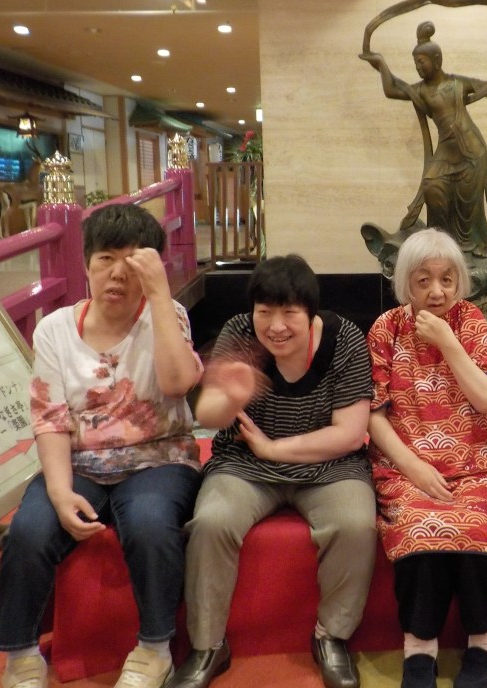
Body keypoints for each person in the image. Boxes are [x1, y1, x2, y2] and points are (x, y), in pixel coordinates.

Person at [0, 203, 204, 688]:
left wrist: (161, 294)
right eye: (106, 259)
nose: (118, 273)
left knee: (149, 523)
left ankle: (154, 649)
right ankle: (20, 655)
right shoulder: (54, 329)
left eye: (134, 261)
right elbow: (50, 418)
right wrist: (60, 491)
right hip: (80, 460)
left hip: (159, 457)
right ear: (87, 264)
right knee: (30, 529)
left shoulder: (167, 314)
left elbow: (176, 384)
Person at [169, 255, 376, 688]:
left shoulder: (345, 339)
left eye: (289, 313)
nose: (275, 326)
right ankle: (208, 645)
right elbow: (208, 414)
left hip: (328, 466)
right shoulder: (240, 333)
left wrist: (273, 448)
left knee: (355, 524)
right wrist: (229, 397)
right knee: (211, 521)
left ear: (310, 314)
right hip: (245, 464)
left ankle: (331, 636)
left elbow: (350, 433)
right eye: (265, 312)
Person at [366, 228, 487, 688]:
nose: (436, 291)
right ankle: (419, 648)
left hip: (476, 461)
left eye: (446, 280)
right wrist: (413, 468)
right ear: (406, 283)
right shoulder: (385, 328)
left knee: (475, 524)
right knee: (417, 525)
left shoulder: (470, 320)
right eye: (423, 281)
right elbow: (374, 415)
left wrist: (448, 342)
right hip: (408, 462)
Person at [359, 21, 487, 259]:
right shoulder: (420, 90)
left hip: (471, 150)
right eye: (415, 63)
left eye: (421, 61)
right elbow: (391, 90)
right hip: (446, 151)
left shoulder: (457, 83)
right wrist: (381, 63)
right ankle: (440, 246)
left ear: (437, 60)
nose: (418, 67)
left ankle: (468, 247)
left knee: (468, 204)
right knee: (431, 186)